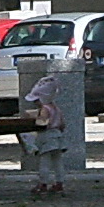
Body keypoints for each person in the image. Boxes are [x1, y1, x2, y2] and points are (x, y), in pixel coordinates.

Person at [17, 63, 70, 199]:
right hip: (57, 136)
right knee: (57, 161)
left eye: (36, 100)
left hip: (47, 137)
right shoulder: (56, 108)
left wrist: (35, 120)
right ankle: (59, 182)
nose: (35, 103)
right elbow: (62, 124)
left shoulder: (45, 109)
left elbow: (42, 122)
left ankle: (43, 183)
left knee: (44, 161)